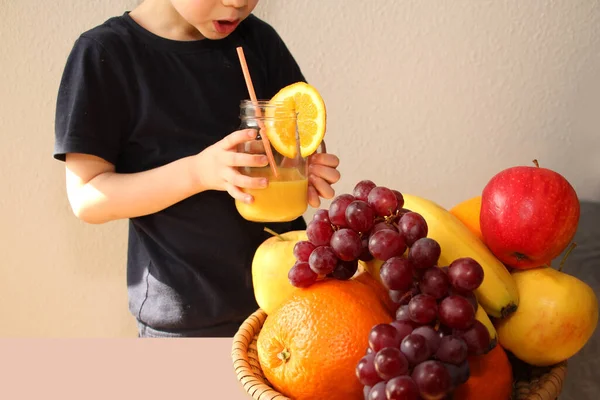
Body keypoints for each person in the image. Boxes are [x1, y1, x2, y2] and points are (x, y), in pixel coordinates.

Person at [53, 0, 341, 338]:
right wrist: (198, 173)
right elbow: (87, 197)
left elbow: (294, 138)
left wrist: (306, 169)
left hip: (288, 303)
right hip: (188, 318)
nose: (238, 2)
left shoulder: (258, 42)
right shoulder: (106, 54)